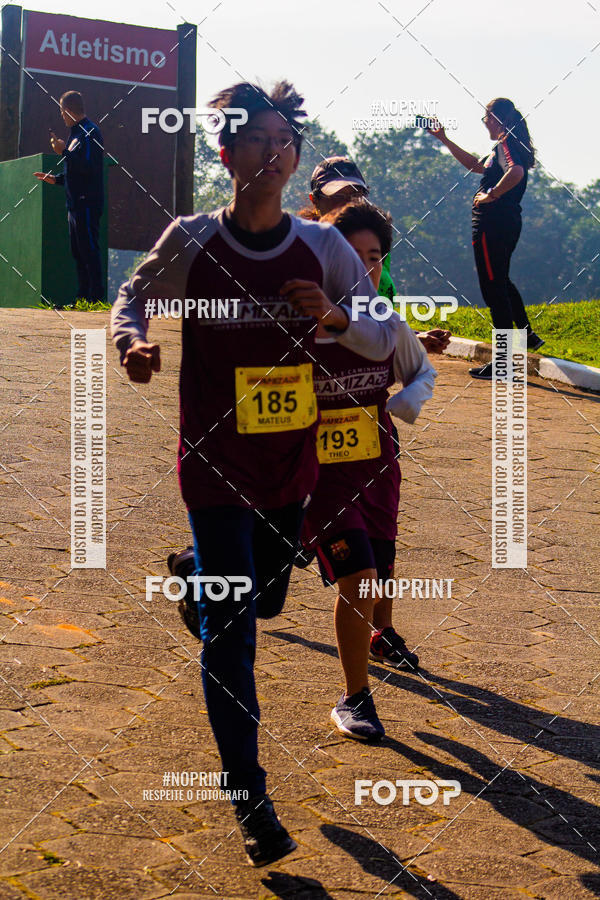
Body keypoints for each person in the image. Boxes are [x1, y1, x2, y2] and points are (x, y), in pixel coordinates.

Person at [111, 80, 399, 868]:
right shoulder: (196, 239)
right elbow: (131, 295)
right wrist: (130, 344)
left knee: (263, 599)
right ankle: (252, 801)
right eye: (255, 139)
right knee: (233, 636)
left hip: (291, 469)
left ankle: (192, 575)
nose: (272, 153)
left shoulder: (325, 249)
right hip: (211, 466)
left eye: (284, 140)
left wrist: (335, 316)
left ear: (294, 154)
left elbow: (383, 335)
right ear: (225, 151)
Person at [299, 199, 436, 742]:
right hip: (318, 474)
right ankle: (355, 697)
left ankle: (381, 634)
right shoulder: (299, 325)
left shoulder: (387, 322)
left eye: (374, 258)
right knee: (356, 577)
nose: (364, 269)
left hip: (377, 467)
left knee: (378, 570)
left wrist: (401, 403)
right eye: (352, 258)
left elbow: (420, 374)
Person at [427, 98, 542, 379]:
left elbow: (516, 172)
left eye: (486, 117)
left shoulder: (506, 144)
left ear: (497, 119)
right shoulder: (503, 147)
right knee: (500, 281)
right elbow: (475, 165)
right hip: (504, 223)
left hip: (493, 224)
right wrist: (444, 139)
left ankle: (503, 363)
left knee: (494, 290)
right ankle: (527, 336)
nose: (484, 122)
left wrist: (492, 195)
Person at [303, 156, 451, 354]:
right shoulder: (304, 250)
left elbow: (373, 314)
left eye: (356, 194)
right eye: (338, 195)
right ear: (315, 201)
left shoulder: (374, 243)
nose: (348, 203)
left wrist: (411, 337)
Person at [33, 91, 105, 302]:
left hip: (88, 203)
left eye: (62, 112)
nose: (61, 116)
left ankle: (96, 299)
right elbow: (75, 170)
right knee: (78, 252)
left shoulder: (91, 132)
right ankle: (82, 298)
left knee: (90, 251)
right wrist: (55, 179)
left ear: (69, 111)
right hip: (73, 204)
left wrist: (64, 152)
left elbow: (89, 168)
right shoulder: (74, 135)